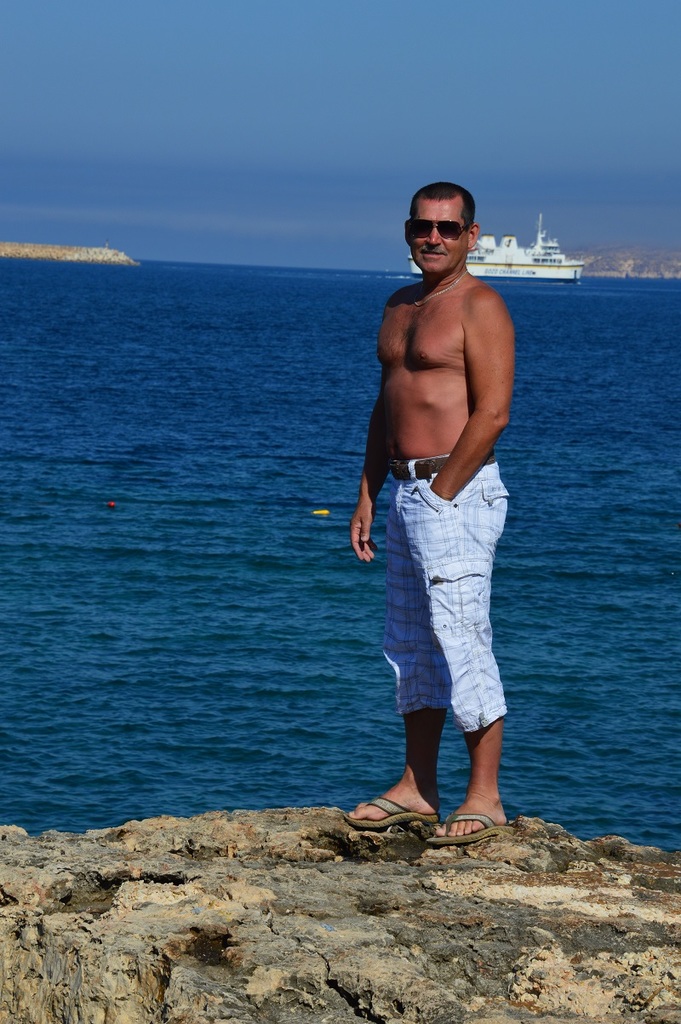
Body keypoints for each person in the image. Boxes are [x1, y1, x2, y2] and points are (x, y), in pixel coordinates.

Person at [346, 181, 515, 845]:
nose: (433, 238)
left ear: (471, 235)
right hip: (403, 491)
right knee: (410, 643)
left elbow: (492, 412)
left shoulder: (480, 305)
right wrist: (368, 490)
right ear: (408, 230)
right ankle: (417, 788)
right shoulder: (399, 305)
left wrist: (441, 493)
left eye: (447, 228)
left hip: (457, 491)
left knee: (462, 637)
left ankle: (485, 797)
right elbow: (387, 402)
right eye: (423, 226)